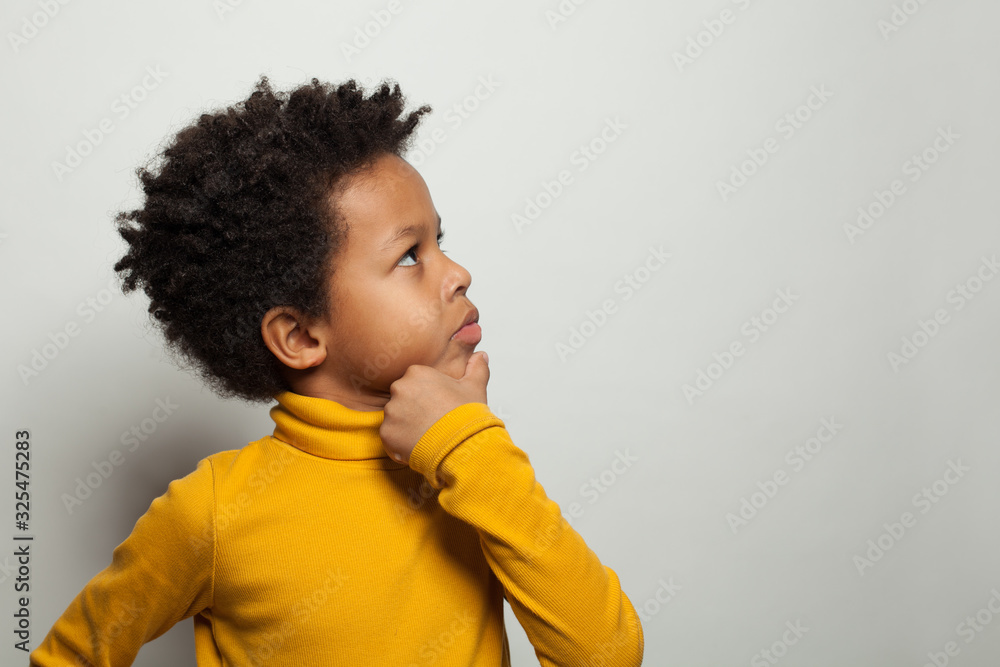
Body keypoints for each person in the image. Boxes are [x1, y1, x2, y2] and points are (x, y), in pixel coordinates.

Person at [30, 76, 644, 666]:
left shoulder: (468, 468)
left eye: (440, 242)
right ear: (300, 337)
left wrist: (470, 446)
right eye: (410, 256)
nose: (458, 273)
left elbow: (606, 654)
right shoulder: (211, 512)